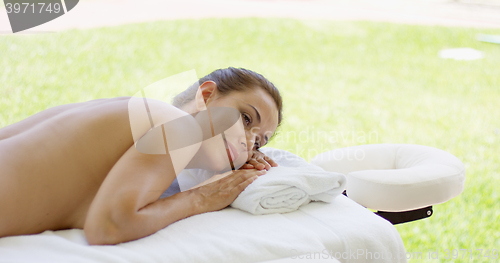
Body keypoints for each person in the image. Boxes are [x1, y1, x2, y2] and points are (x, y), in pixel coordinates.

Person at [0, 67, 283, 245]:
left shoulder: (139, 112)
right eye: (245, 118)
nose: (247, 142)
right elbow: (109, 227)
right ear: (206, 96)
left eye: (258, 142)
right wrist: (202, 198)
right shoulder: (182, 126)